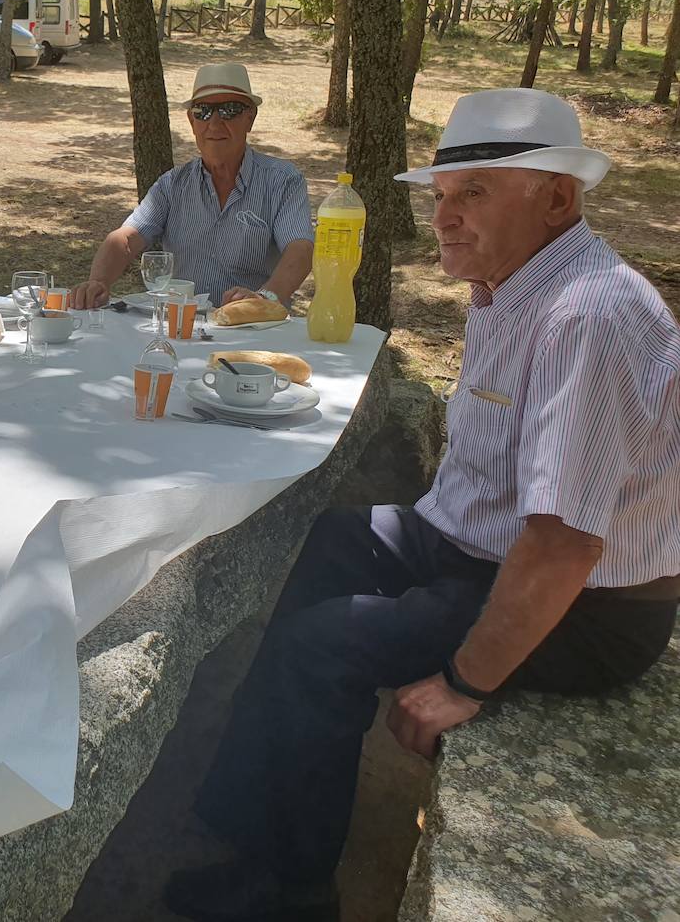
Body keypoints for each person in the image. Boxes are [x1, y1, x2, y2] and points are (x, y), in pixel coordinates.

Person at [165, 88, 680, 922]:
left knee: (316, 648)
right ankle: (256, 826)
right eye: (440, 196)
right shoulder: (515, 283)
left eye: (475, 192)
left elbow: (562, 545)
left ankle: (293, 892)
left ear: (559, 197)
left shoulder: (588, 314)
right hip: (479, 547)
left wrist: (462, 679)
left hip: (584, 609)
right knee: (327, 541)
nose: (444, 218)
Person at [70, 62, 313, 312]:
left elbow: (301, 248)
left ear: (250, 117)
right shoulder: (172, 185)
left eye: (230, 110)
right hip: (183, 326)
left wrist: (264, 299)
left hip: (252, 328)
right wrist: (97, 282)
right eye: (203, 111)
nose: (215, 123)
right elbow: (126, 238)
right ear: (191, 120)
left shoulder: (282, 180)